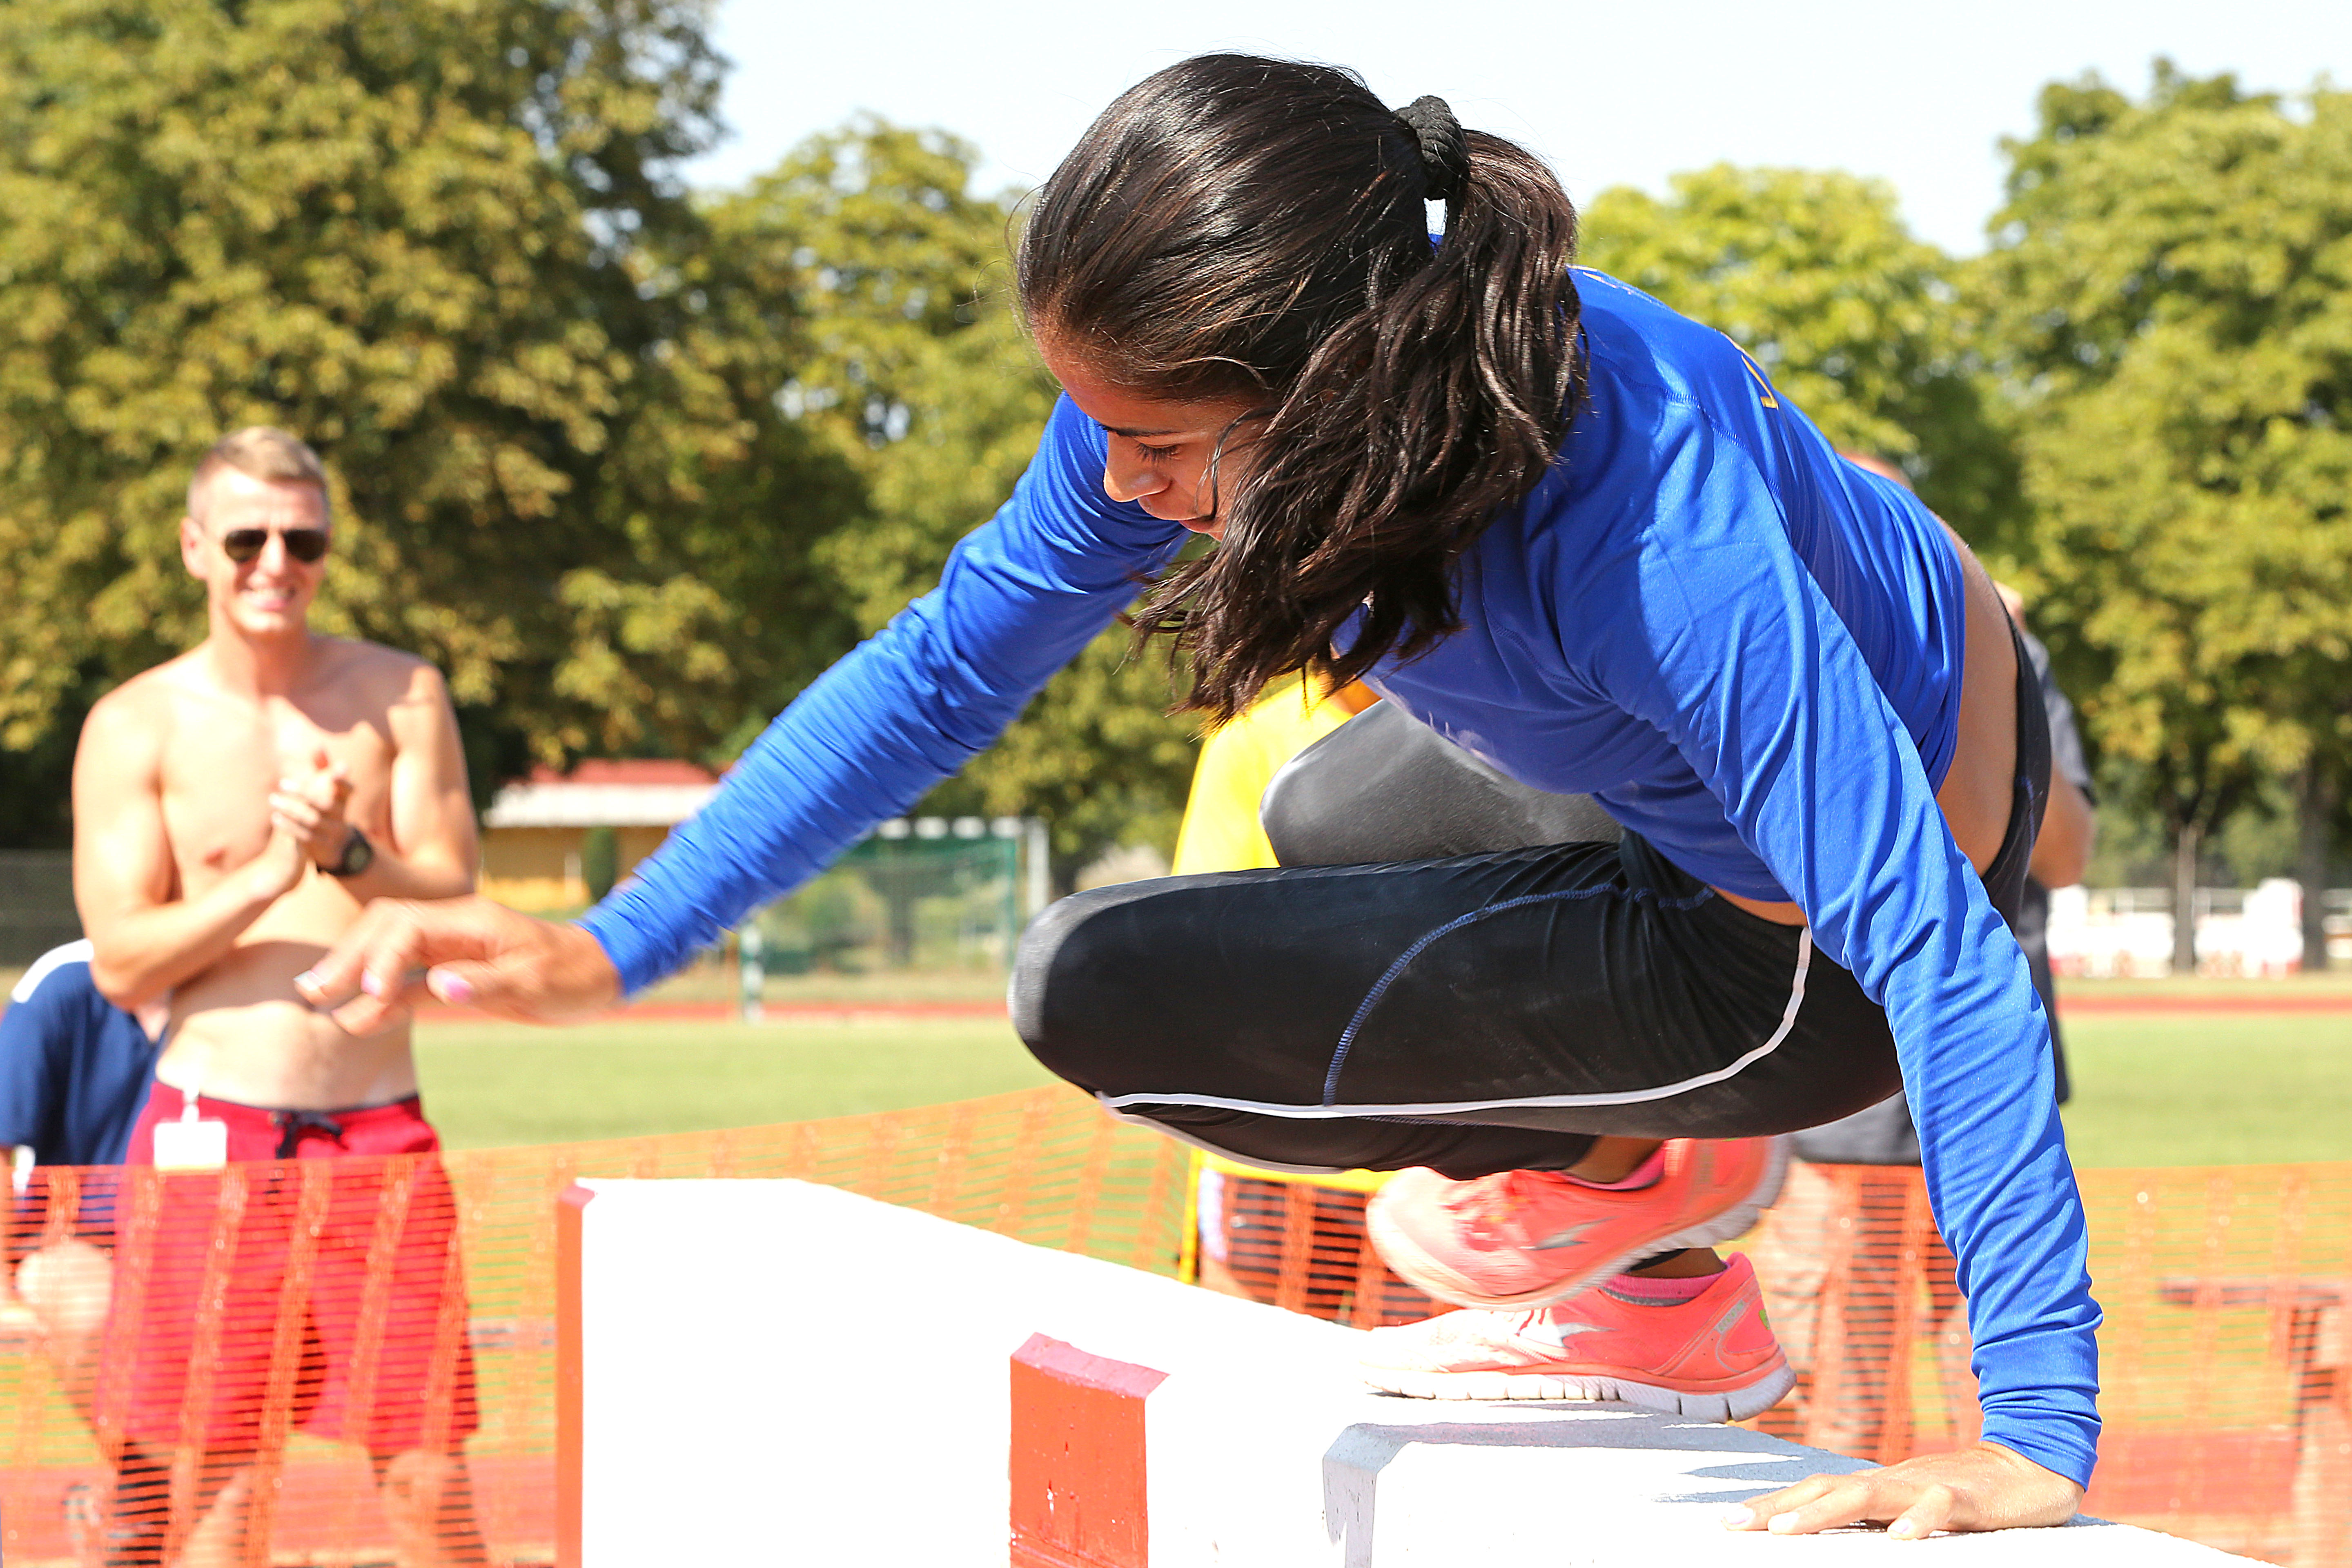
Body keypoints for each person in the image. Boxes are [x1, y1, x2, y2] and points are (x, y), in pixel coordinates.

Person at [302, 58, 2098, 1537]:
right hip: (1641, 759)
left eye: (1158, 444)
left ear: (1338, 393)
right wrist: (616, 943)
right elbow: (941, 670)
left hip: (1809, 933)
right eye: (1096, 423)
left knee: (1109, 997)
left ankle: (1654, 1208)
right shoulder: (1219, 400)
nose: (1115, 479)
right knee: (1308, 826)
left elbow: (1939, 950)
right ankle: (1625, 1224)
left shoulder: (1647, 533)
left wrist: (2035, 1429)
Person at [71, 428, 485, 1566]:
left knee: (428, 1477)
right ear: (194, 547)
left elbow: (456, 899)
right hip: (211, 1137)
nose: (274, 563)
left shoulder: (401, 695)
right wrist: (266, 874)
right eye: (247, 537)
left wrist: (349, 853)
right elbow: (122, 962)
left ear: (329, 548)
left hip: (380, 1135)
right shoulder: (136, 722)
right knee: (221, 1484)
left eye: (302, 540)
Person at [1747, 496, 2101, 1459]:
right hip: (1836, 1106)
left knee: (1997, 1403)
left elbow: (2067, 852)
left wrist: (1992, 685)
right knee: (1832, 1404)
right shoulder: (1775, 640)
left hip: (1989, 1084)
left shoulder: (2003, 654)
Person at [1, 938, 170, 1442]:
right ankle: (138, 1477)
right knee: (89, 1310)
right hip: (74, 1236)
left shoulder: (240, 983)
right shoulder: (63, 983)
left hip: (198, 1235)